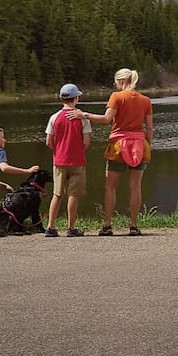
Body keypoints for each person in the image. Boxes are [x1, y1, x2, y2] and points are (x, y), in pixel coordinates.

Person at [71, 68, 153, 236]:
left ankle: (108, 225)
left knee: (110, 187)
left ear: (121, 81)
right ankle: (134, 225)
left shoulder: (117, 97)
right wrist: (147, 145)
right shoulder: (146, 100)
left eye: (115, 82)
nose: (115, 85)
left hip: (118, 146)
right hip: (139, 145)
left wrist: (84, 114)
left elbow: (106, 119)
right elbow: (149, 127)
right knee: (136, 187)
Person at [44, 84, 92, 237]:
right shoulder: (82, 117)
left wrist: (59, 151)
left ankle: (51, 227)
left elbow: (48, 142)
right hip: (77, 162)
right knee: (73, 195)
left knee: (57, 194)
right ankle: (71, 228)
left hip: (59, 161)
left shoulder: (54, 117)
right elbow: (86, 143)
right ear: (76, 98)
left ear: (61, 98)